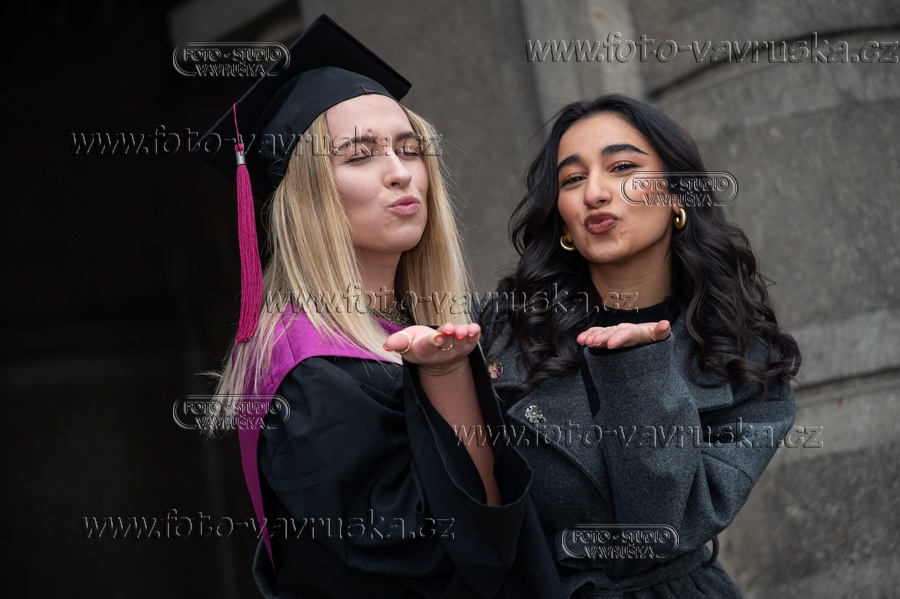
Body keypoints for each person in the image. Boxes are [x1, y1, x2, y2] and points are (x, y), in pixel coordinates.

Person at [193, 15, 562, 599]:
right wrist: (449, 377)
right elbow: (464, 557)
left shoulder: (410, 325)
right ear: (307, 194)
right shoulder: (313, 370)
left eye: (410, 150)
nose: (400, 173)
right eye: (359, 155)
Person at [478, 94, 801, 598]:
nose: (595, 193)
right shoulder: (502, 332)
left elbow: (659, 527)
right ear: (563, 220)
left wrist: (636, 370)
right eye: (573, 179)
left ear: (677, 194)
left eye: (622, 167)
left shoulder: (746, 361)